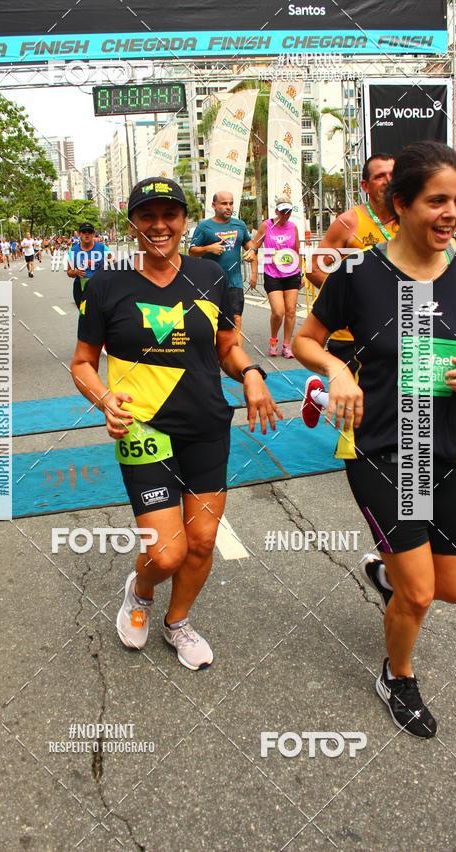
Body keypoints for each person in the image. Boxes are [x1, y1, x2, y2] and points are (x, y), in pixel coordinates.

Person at [292, 142, 456, 738]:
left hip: (449, 448)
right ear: (401, 203)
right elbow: (308, 338)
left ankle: (388, 571)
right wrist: (336, 370)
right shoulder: (360, 272)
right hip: (385, 448)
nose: (451, 213)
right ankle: (398, 675)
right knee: (421, 593)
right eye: (437, 201)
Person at [71, 177, 281, 670]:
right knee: (165, 554)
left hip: (207, 425)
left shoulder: (210, 276)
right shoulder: (107, 283)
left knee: (203, 541)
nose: (159, 225)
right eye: (148, 216)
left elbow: (228, 347)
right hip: (141, 429)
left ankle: (177, 621)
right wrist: (105, 399)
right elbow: (82, 362)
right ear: (133, 224)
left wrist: (251, 373)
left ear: (185, 221)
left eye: (170, 215)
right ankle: (141, 591)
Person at [309, 154, 398, 370]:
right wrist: (350, 302)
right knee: (355, 399)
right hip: (352, 336)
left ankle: (319, 396)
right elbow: (314, 268)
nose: (388, 180)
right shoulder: (349, 221)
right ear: (365, 186)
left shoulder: (412, 219)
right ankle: (321, 397)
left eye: (393, 175)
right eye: (380, 176)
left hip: (399, 331)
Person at [188, 190, 256, 346]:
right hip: (210, 284)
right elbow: (192, 251)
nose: (228, 207)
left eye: (231, 203)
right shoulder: (204, 227)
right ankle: (213, 357)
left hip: (234, 282)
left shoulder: (239, 225)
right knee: (213, 323)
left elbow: (250, 245)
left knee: (236, 319)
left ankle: (238, 358)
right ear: (214, 205)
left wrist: (252, 252)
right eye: (224, 203)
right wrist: (208, 248)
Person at [250, 195, 302, 358]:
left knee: (291, 311)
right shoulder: (266, 226)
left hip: (292, 274)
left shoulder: (293, 227)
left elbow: (297, 251)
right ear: (276, 211)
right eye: (283, 211)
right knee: (278, 312)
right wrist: (252, 268)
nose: (285, 215)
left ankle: (287, 345)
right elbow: (254, 247)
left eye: (288, 211)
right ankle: (273, 340)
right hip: (272, 274)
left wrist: (300, 272)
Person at [66, 222, 107, 309]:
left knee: (100, 316)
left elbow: (113, 266)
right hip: (80, 289)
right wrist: (76, 272)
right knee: (85, 316)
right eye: (84, 232)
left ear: (93, 234)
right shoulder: (73, 251)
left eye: (89, 232)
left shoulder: (103, 248)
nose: (87, 234)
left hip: (100, 288)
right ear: (80, 234)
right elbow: (69, 272)